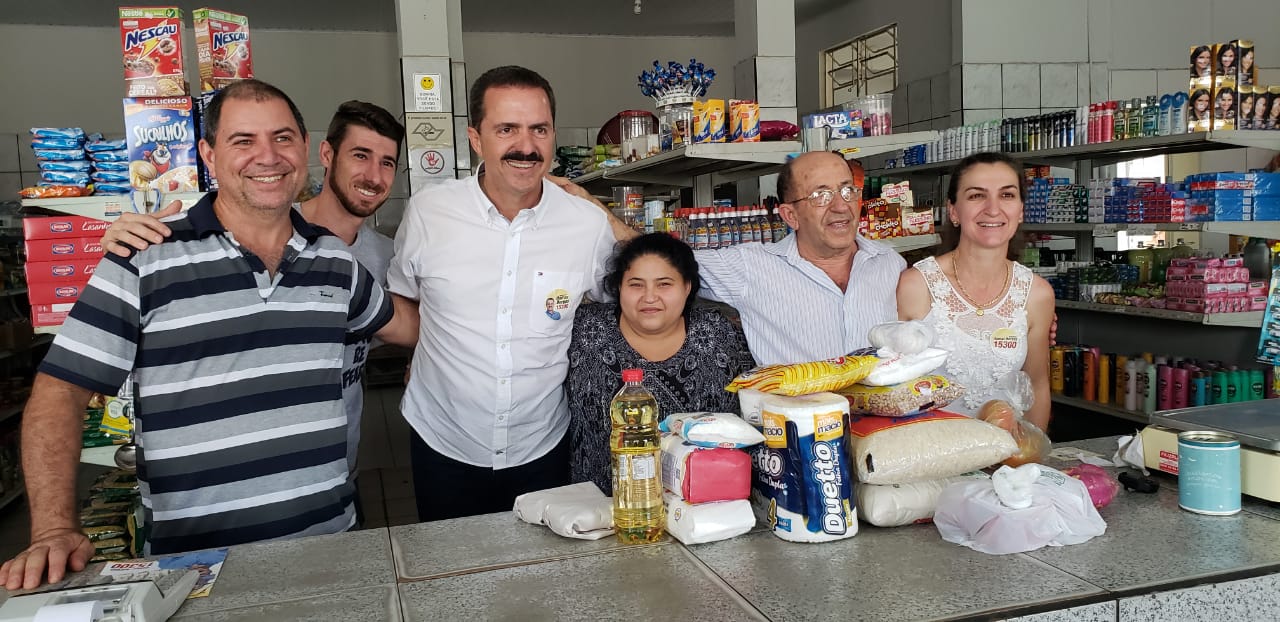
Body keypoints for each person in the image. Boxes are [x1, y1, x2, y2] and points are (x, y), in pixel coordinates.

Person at [0, 80, 419, 590]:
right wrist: (53, 529)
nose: (268, 156)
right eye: (244, 141)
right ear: (208, 154)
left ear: (305, 149)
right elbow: (59, 392)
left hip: (330, 546)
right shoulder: (145, 258)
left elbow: (413, 326)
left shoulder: (335, 261)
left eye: (282, 138)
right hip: (194, 567)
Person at [99, 100, 407, 483]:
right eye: (360, 155)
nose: (373, 175)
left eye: (387, 162)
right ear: (326, 154)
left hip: (335, 471)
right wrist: (122, 244)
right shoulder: (262, 230)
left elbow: (415, 327)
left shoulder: (386, 257)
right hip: (224, 481)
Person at [387, 66, 617, 522]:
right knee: (449, 563)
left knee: (543, 566)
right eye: (507, 129)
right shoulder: (430, 213)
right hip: (443, 440)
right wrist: (424, 353)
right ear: (476, 139)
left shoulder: (587, 224)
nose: (526, 146)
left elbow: (628, 296)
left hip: (542, 444)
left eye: (539, 129)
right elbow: (404, 300)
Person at [590, 151, 906, 365]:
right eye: (821, 196)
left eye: (847, 191)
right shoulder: (752, 267)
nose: (840, 206)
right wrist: (590, 207)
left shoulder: (891, 264)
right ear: (790, 215)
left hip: (885, 434)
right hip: (799, 434)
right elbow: (659, 260)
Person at [566, 233, 754, 494]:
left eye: (664, 284)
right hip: (594, 506)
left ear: (687, 287)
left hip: (705, 504)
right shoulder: (583, 330)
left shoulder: (721, 334)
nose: (650, 297)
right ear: (619, 287)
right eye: (636, 285)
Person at [895, 152, 1053, 431]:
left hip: (1005, 452)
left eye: (1007, 195)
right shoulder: (917, 285)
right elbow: (890, 386)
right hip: (929, 449)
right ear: (954, 211)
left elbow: (1037, 386)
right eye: (976, 195)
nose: (993, 209)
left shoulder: (1036, 294)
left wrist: (1032, 452)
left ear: (1020, 210)